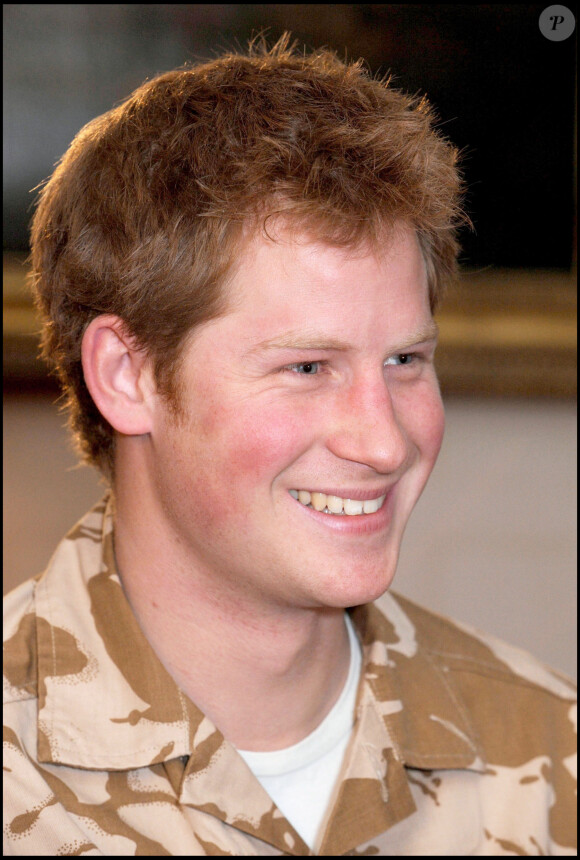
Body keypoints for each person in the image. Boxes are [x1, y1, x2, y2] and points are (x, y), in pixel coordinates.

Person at [3, 33, 576, 856]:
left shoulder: (552, 750)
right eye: (307, 366)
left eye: (406, 360)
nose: (383, 442)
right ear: (126, 376)